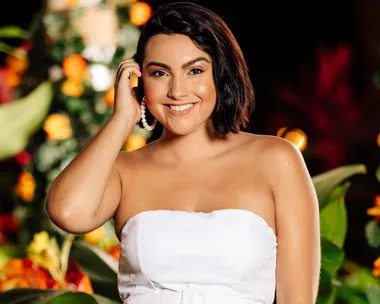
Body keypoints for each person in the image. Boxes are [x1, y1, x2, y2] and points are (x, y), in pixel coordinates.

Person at [45, 1, 321, 303]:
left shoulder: (275, 159)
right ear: (141, 81)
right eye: (160, 73)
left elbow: (298, 299)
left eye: (195, 70)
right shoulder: (124, 170)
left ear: (221, 73)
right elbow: (67, 213)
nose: (177, 91)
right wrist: (122, 120)